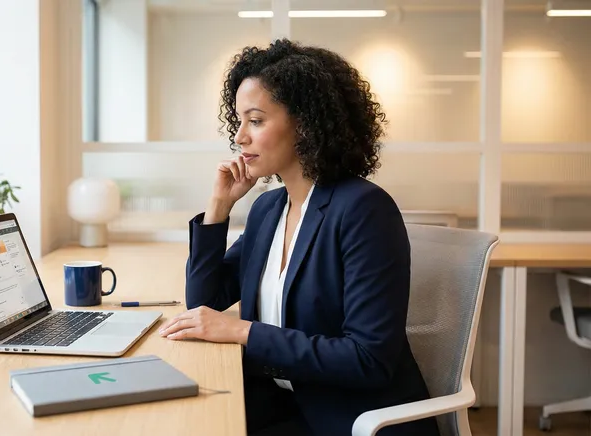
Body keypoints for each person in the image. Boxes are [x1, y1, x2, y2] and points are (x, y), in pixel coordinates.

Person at [158, 39, 439, 436]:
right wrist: (219, 208)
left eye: (255, 120)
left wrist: (244, 331)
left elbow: (367, 359)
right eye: (238, 121)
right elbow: (204, 304)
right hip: (282, 405)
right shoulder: (268, 210)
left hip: (349, 419)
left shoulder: (363, 210)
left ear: (305, 124)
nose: (239, 137)